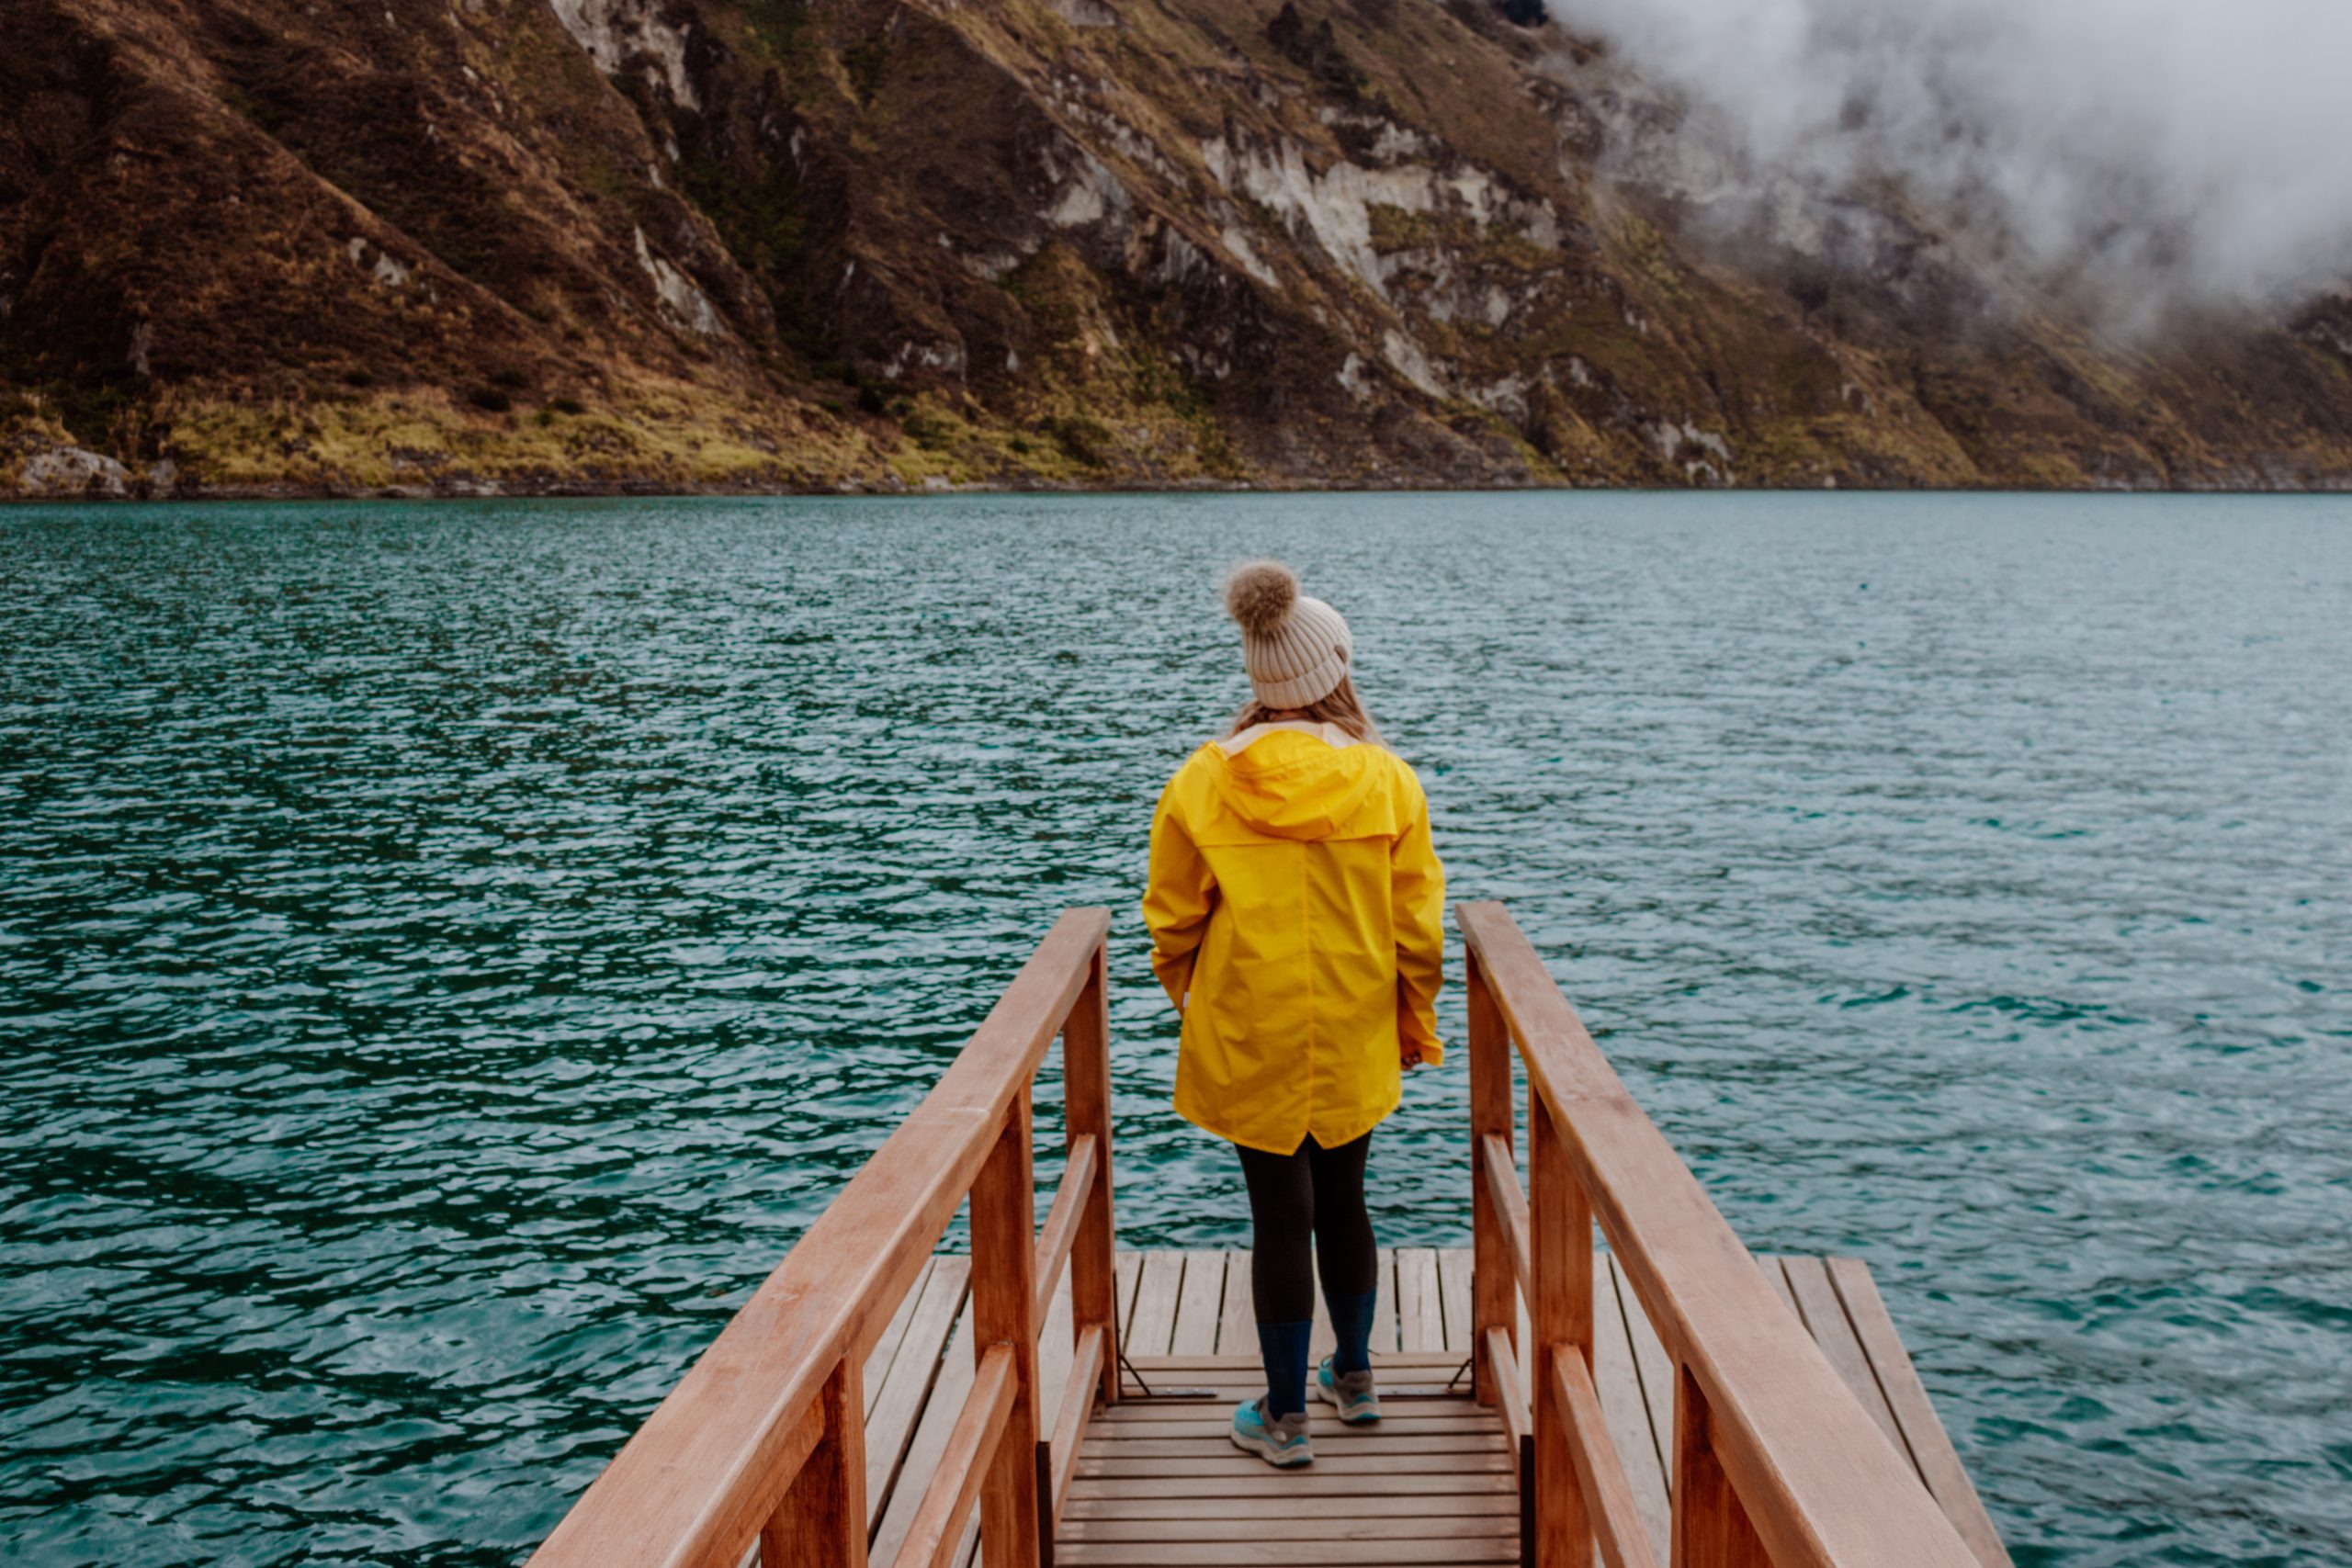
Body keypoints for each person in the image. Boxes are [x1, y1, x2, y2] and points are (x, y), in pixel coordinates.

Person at [1141, 559, 1446, 1468]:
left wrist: (1193, 996)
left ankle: (1283, 1417)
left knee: (1279, 1215)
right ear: (1337, 668)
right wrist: (1414, 1019)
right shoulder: (1387, 780)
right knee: (1346, 1197)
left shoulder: (1204, 780)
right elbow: (1417, 927)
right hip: (1353, 1021)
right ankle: (1353, 1376)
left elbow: (1171, 916)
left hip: (1251, 1026)